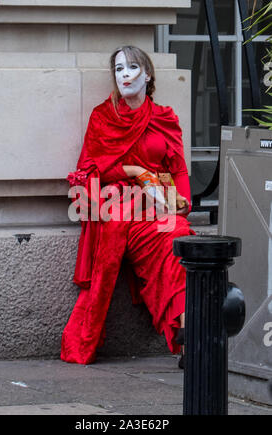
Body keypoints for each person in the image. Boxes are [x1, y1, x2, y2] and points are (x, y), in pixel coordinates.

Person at [61, 46, 195, 368]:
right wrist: (139, 172)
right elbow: (92, 169)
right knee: (144, 241)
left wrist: (183, 202)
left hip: (159, 209)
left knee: (178, 239)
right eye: (119, 69)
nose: (124, 75)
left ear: (147, 75)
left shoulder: (164, 117)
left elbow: (176, 168)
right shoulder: (103, 116)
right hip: (120, 208)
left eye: (132, 67)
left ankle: (191, 333)